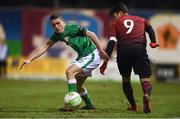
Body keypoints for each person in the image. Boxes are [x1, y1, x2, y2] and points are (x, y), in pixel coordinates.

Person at [20, 13, 109, 111]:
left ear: (63, 22)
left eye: (58, 23)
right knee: (78, 86)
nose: (56, 27)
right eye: (53, 25)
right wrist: (29, 59)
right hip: (84, 57)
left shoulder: (72, 28)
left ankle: (71, 105)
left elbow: (92, 34)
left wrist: (100, 50)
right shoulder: (57, 35)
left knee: (69, 72)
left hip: (91, 54)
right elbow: (45, 46)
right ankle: (89, 106)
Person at [100, 3, 159, 113]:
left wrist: (105, 60)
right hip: (139, 50)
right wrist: (153, 42)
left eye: (114, 16)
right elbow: (150, 29)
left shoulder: (116, 23)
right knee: (145, 78)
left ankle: (133, 106)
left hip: (123, 53)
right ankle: (146, 95)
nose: (114, 18)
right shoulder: (142, 20)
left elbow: (112, 42)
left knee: (126, 79)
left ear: (120, 12)